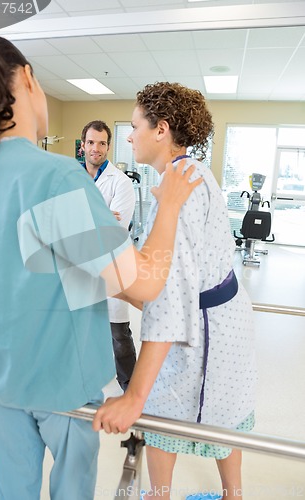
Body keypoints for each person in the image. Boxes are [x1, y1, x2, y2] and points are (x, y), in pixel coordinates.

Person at [0, 36, 203, 500]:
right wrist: (171, 206)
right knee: (72, 489)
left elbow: (23, 268)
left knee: (10, 490)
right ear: (28, 80)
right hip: (59, 382)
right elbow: (145, 282)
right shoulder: (53, 175)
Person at [93, 82, 257, 500]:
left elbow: (165, 294)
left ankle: (164, 495)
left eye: (134, 126)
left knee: (165, 409)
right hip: (219, 316)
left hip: (204, 326)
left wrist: (134, 395)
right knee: (223, 407)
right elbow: (156, 273)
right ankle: (226, 494)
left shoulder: (181, 186)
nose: (128, 136)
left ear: (161, 129)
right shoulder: (184, 174)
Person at [81, 120, 137, 392]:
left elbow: (115, 232)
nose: (96, 148)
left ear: (108, 146)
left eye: (102, 143)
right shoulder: (71, 178)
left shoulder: (122, 183)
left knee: (119, 335)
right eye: (91, 142)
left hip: (112, 267)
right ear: (83, 146)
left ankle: (130, 386)